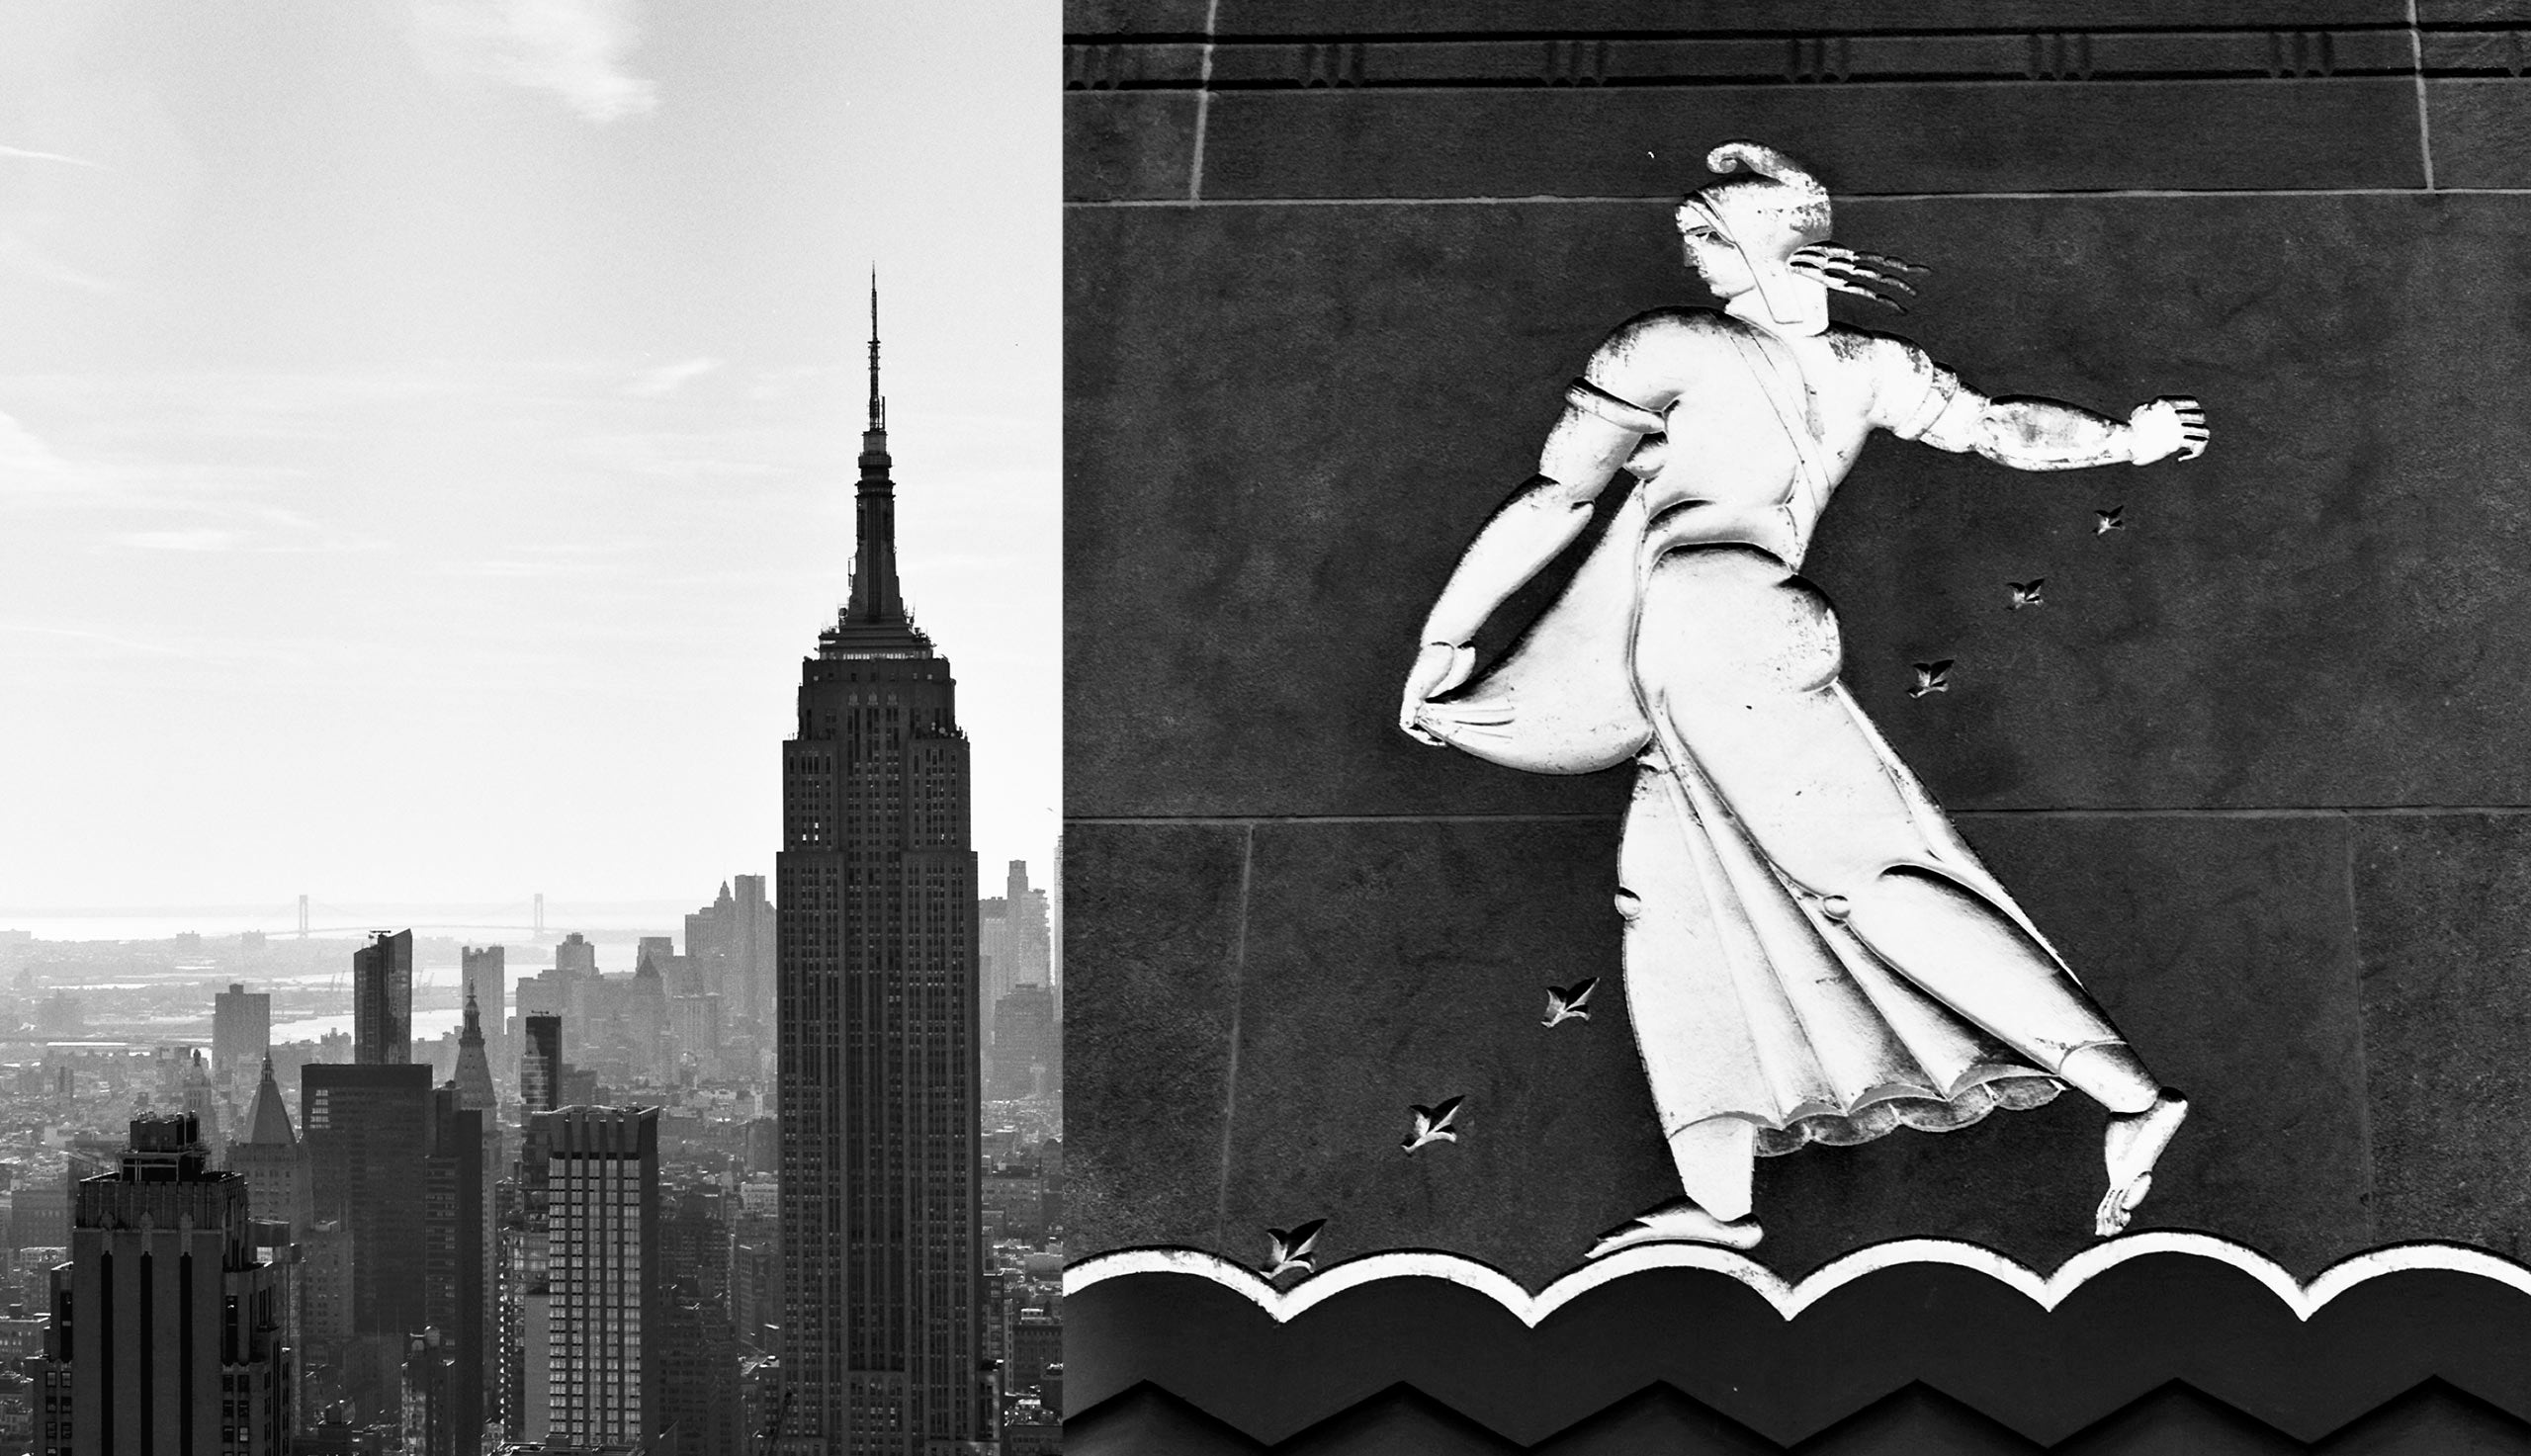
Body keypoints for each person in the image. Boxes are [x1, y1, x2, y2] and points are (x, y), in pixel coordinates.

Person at [1398, 141, 2209, 1256]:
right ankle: (1722, 1207)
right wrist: (2123, 439)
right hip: (1715, 638)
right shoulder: (1869, 365)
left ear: (1779, 236)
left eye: (1710, 230)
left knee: (1856, 879)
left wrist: (1448, 635)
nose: (1695, 252)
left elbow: (1554, 498)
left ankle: (2126, 1096)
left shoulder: (1668, 345)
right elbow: (1999, 428)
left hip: (1709, 625)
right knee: (1673, 906)